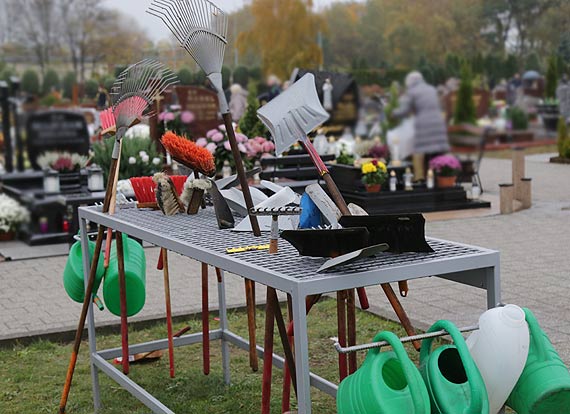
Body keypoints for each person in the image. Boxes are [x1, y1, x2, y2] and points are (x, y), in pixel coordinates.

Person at [392, 71, 449, 179]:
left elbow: (404, 110)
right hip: (438, 123)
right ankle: (439, 178)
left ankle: (422, 179)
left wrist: (392, 113)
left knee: (423, 153)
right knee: (436, 153)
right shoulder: (431, 89)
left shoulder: (412, 91)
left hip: (424, 125)